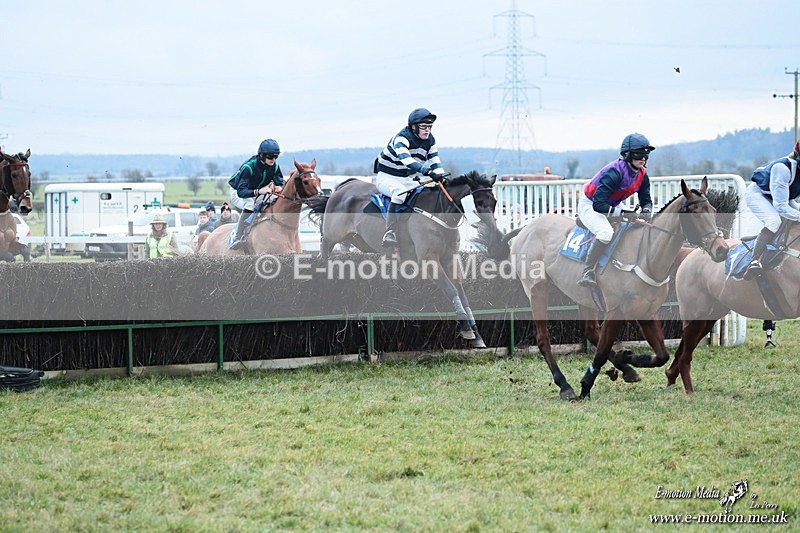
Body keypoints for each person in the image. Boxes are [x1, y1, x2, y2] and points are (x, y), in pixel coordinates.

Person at [577, 133, 655, 287]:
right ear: (628, 154)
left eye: (646, 154)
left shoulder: (642, 174)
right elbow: (598, 205)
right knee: (606, 233)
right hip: (591, 204)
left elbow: (646, 200)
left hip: (613, 203)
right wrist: (625, 214)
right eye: (640, 154)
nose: (644, 158)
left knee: (635, 224)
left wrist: (647, 211)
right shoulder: (614, 172)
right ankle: (587, 271)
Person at [375, 108, 446, 246]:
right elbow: (406, 160)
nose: (428, 130)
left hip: (406, 178)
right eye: (424, 127)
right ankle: (390, 232)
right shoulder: (401, 138)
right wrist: (428, 172)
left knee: (424, 194)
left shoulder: (430, 140)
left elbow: (435, 160)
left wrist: (441, 176)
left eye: (429, 127)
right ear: (413, 127)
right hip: (387, 176)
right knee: (399, 194)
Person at [745, 139, 800, 277]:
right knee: (774, 220)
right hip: (758, 194)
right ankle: (755, 260)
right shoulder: (782, 168)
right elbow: (780, 207)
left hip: (783, 197)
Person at [227, 139, 284, 249]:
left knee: (274, 199)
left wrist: (279, 187)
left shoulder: (274, 166)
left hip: (257, 191)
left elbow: (279, 181)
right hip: (238, 192)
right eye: (270, 157)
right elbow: (241, 192)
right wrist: (258, 191)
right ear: (262, 155)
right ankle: (237, 237)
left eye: (276, 157)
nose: (273, 160)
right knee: (249, 205)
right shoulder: (249, 168)